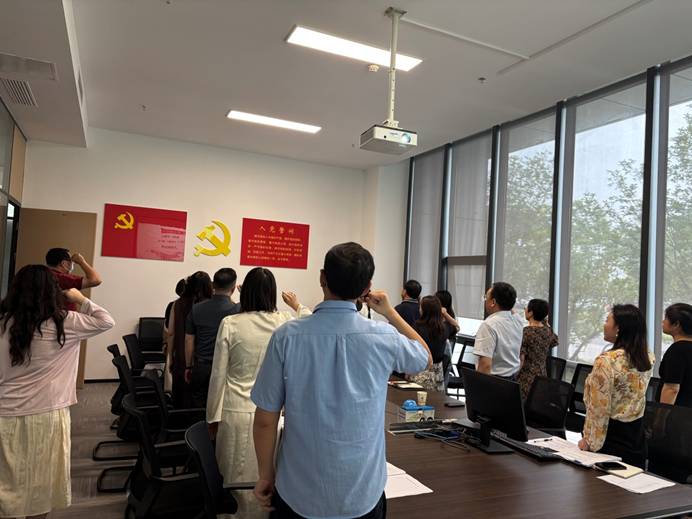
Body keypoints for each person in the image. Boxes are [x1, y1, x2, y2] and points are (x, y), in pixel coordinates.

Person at [251, 242, 431, 518]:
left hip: (298, 492)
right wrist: (389, 313)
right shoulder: (383, 337)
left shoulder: (286, 336)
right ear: (366, 288)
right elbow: (425, 357)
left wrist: (266, 475)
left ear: (322, 277)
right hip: (363, 494)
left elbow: (265, 418)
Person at [0, 265, 114, 519]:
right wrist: (80, 299)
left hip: (4, 412)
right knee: (39, 488)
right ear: (53, 291)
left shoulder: (4, 321)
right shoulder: (65, 322)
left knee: (6, 485)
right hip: (46, 415)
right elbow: (106, 320)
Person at [206, 267, 311, 519]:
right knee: (269, 480)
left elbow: (218, 375)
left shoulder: (231, 323)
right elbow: (309, 320)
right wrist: (297, 304)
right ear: (272, 293)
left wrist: (212, 417)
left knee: (235, 481)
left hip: (235, 412)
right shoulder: (286, 321)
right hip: (275, 416)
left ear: (245, 293)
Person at [578, 305, 655, 468]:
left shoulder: (607, 361)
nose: (604, 325)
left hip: (609, 439)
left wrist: (590, 441)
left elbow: (599, 408)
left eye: (607, 320)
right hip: (636, 436)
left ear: (618, 328)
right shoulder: (648, 356)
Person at [184, 268, 241, 408]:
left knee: (197, 408)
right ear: (233, 288)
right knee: (220, 408)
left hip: (201, 367)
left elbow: (189, 340)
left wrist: (188, 366)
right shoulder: (237, 310)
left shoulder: (196, 309)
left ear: (213, 285)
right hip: (226, 369)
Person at [167, 271, 212, 408]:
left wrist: (170, 356)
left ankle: (179, 417)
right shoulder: (209, 306)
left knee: (180, 394)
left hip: (181, 355)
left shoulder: (177, 304)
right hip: (202, 358)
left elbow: (171, 333)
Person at [474, 282, 524, 379]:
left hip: (494, 381)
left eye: (486, 298)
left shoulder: (489, 325)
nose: (485, 301)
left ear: (493, 302)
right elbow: (511, 310)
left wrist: (478, 385)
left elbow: (485, 364)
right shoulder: (518, 320)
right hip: (512, 379)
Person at [410, 295, 457, 391]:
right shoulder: (443, 328)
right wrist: (445, 314)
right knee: (436, 399)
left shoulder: (417, 326)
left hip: (420, 371)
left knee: (420, 398)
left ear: (424, 310)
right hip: (438, 373)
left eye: (420, 307)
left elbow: (411, 349)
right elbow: (456, 326)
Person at [516, 299, 558, 400]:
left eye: (526, 308)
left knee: (522, 407)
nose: (525, 309)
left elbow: (521, 360)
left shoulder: (526, 332)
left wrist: (512, 377)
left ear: (531, 313)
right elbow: (555, 341)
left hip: (526, 379)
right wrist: (546, 324)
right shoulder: (548, 331)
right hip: (542, 378)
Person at [659, 303, 692, 407]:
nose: (663, 322)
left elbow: (672, 389)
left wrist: (661, 414)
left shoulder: (677, 350)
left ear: (676, 324)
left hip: (679, 412)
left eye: (666, 318)